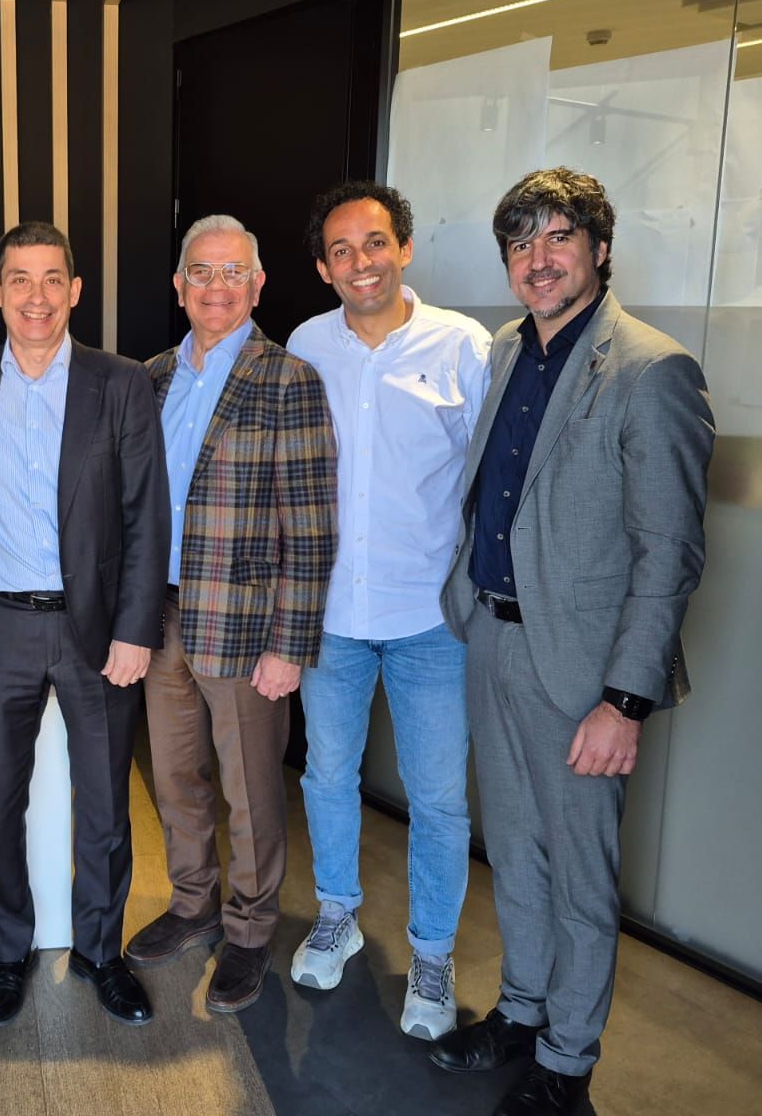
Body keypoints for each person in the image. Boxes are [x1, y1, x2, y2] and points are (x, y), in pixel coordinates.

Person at [430, 170, 715, 1115]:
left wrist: (625, 700)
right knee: (514, 851)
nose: (538, 259)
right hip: (493, 637)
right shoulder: (510, 349)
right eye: (521, 243)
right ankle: (521, 1011)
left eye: (559, 237)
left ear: (599, 247)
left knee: (581, 876)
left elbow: (669, 553)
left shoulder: (651, 369)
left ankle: (566, 1064)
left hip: (585, 673)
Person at [0, 222, 168, 1028]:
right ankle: (9, 953)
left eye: (51, 280)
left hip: (95, 631)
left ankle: (101, 953)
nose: (35, 297)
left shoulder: (121, 383)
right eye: (19, 279)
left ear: (74, 291)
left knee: (105, 806)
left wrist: (136, 630)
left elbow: (146, 514)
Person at [286, 181, 491, 1039]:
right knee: (327, 775)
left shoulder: (464, 345)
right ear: (323, 268)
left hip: (429, 619)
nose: (360, 262)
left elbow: (492, 480)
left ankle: (432, 957)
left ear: (404, 248)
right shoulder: (306, 345)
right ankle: (336, 914)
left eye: (375, 243)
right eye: (341, 251)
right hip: (331, 613)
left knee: (439, 799)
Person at [125, 214, 337, 1013]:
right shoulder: (149, 377)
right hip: (161, 618)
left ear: (258, 285)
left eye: (233, 272)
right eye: (202, 273)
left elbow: (311, 525)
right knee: (175, 777)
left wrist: (291, 644)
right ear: (179, 286)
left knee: (250, 791)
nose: (217, 287)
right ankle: (194, 904)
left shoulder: (288, 378)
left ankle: (250, 931)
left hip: (246, 627)